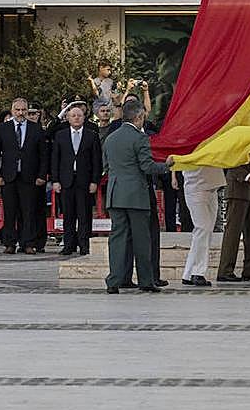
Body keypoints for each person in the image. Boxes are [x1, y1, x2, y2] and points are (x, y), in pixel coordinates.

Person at [102, 99, 172, 293]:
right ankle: (146, 280)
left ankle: (114, 280)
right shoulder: (139, 138)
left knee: (118, 239)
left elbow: (106, 166)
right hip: (136, 196)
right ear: (139, 117)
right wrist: (167, 166)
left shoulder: (111, 138)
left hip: (115, 194)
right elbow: (147, 167)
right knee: (142, 239)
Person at [0, 97, 49, 254]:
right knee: (10, 211)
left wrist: (42, 175)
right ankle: (10, 243)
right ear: (12, 110)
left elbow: (43, 155)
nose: (20, 113)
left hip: (29, 177)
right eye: (17, 110)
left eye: (24, 110)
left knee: (28, 211)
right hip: (8, 177)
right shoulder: (2, 128)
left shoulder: (36, 129)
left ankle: (28, 243)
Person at [50, 103, 102, 256]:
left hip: (84, 182)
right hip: (65, 181)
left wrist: (94, 181)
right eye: (73, 115)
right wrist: (55, 180)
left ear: (84, 117)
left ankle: (84, 245)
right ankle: (69, 245)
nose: (77, 118)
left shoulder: (91, 135)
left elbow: (96, 161)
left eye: (79, 115)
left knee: (84, 215)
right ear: (68, 118)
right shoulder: (60, 135)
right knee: (68, 215)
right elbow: (55, 159)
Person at [216, 152, 250, 283]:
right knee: (233, 233)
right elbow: (229, 162)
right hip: (237, 190)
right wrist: (248, 176)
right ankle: (225, 271)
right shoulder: (237, 138)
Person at [178, 164, 225, 286]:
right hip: (196, 187)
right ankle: (197, 273)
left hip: (213, 187)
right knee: (203, 229)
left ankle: (188, 274)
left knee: (205, 231)